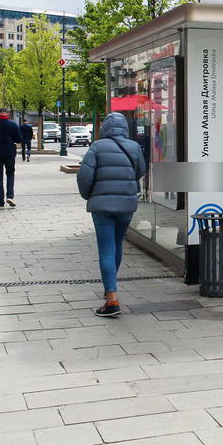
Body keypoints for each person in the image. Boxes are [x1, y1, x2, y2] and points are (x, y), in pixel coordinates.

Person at [77, 112, 147, 318]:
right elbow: (140, 171)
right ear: (124, 127)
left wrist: (89, 195)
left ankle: (112, 299)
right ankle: (110, 288)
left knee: (106, 249)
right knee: (116, 246)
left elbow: (84, 176)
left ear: (105, 128)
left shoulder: (97, 147)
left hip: (102, 206)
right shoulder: (133, 147)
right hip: (126, 205)